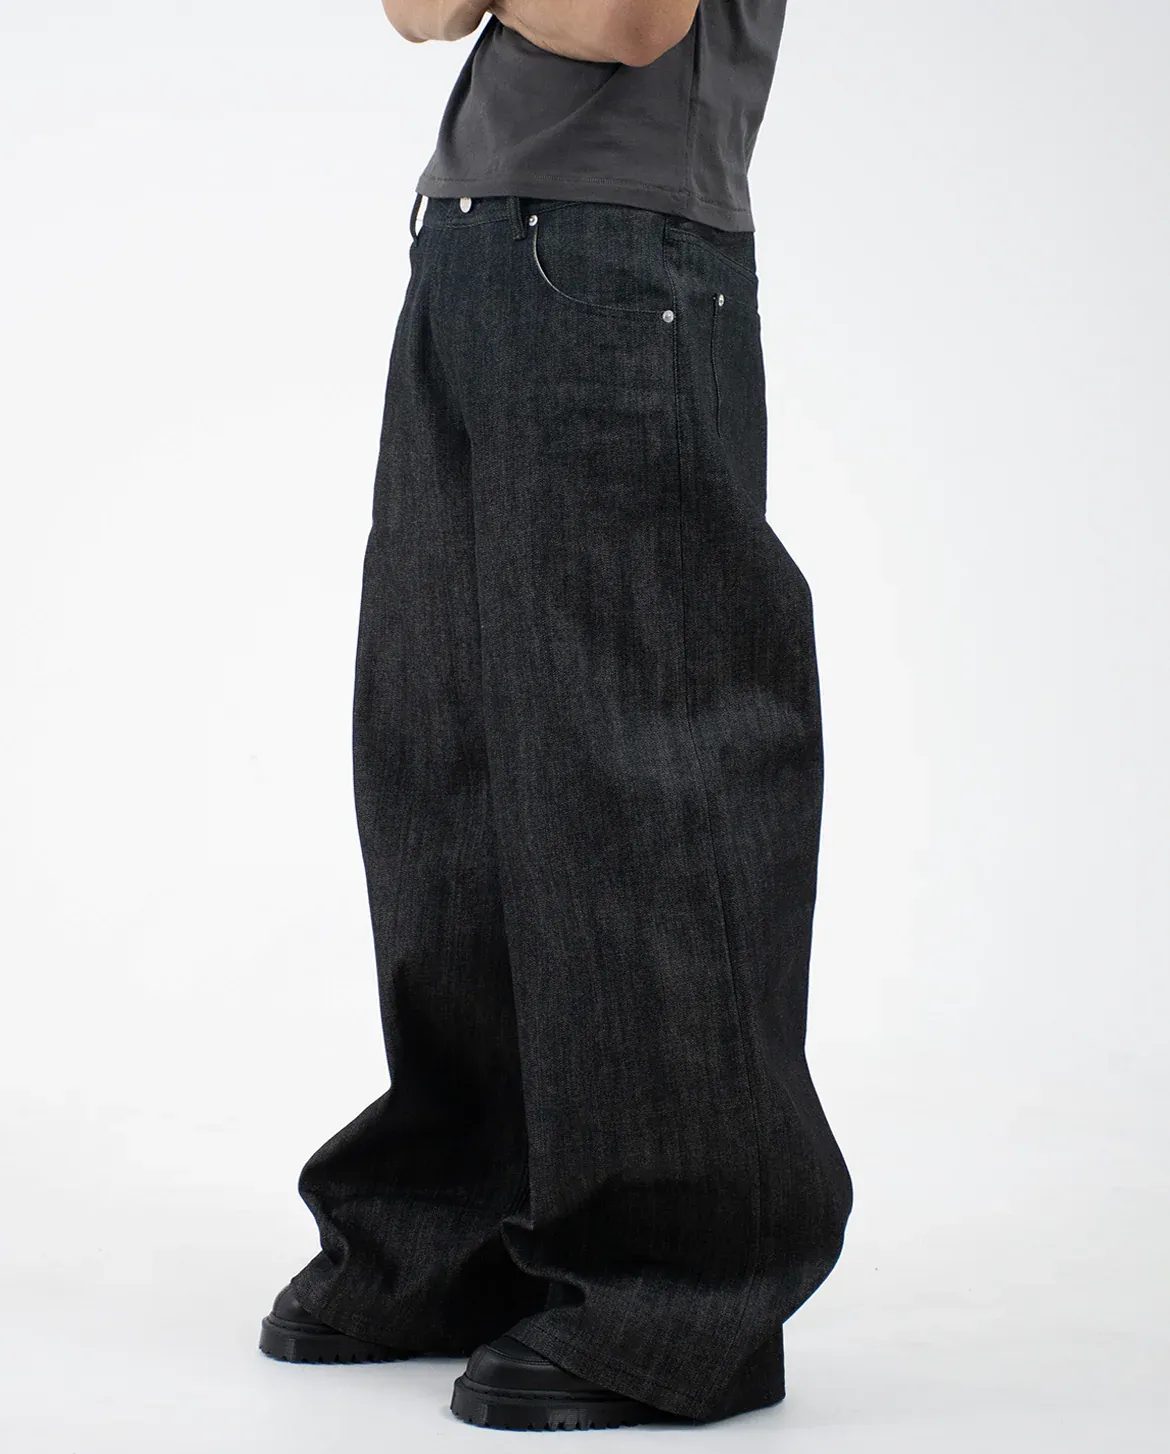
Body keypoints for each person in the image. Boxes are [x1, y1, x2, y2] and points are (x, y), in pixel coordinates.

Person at [258, 0, 853, 1432]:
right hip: (470, 250)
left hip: (621, 264)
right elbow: (417, 11)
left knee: (641, 776)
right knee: (444, 766)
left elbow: (625, 19)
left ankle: (684, 1288)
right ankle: (457, 1228)